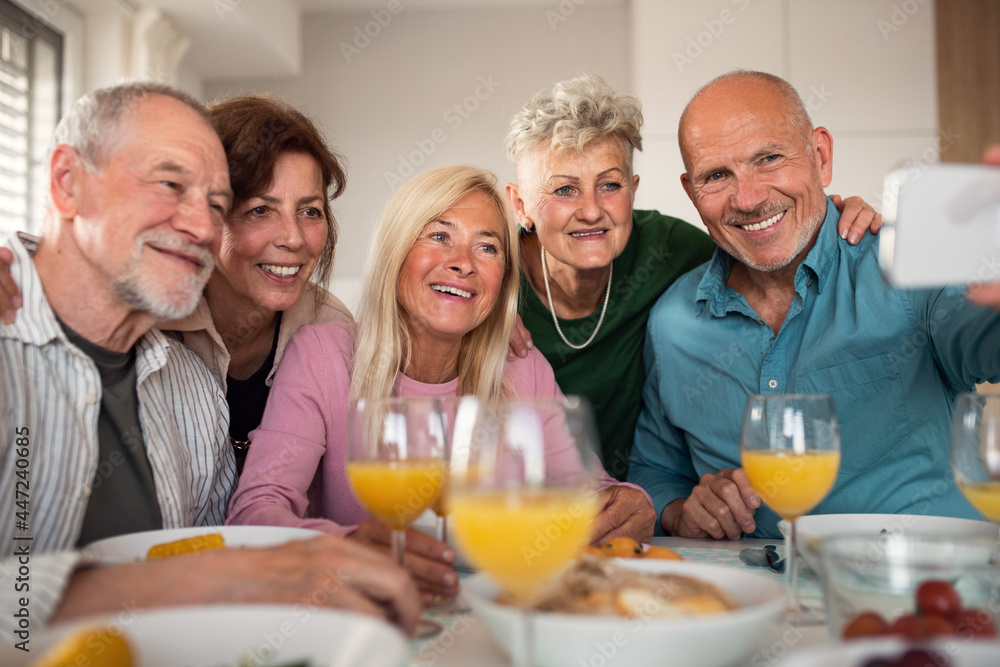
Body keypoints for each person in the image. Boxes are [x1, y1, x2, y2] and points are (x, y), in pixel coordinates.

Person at [0, 82, 420, 638]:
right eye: (170, 185)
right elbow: (215, 571)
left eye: (217, 204)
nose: (202, 226)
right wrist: (210, 578)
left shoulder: (192, 388)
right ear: (67, 182)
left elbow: (217, 559)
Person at [628, 70, 1000, 541]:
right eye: (717, 176)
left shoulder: (907, 266)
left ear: (820, 157)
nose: (748, 198)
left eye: (768, 158)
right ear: (691, 192)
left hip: (922, 599)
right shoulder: (672, 323)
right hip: (759, 598)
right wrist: (681, 508)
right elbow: (653, 470)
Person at [227, 166, 657, 571]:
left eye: (487, 247)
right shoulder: (324, 355)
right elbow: (255, 513)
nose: (463, 262)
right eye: (438, 236)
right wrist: (351, 547)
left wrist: (628, 503)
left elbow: (592, 490)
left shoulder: (521, 369)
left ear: (503, 279)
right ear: (396, 251)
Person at [504, 74, 882, 480]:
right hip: (516, 500)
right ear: (520, 204)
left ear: (632, 191)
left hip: (622, 503)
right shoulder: (490, 280)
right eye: (564, 190)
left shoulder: (672, 251)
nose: (592, 210)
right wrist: (486, 314)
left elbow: (760, 239)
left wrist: (834, 216)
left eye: (609, 185)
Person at [165, 95, 353, 474]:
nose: (294, 238)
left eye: (309, 211)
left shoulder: (331, 329)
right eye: (260, 210)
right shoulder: (152, 319)